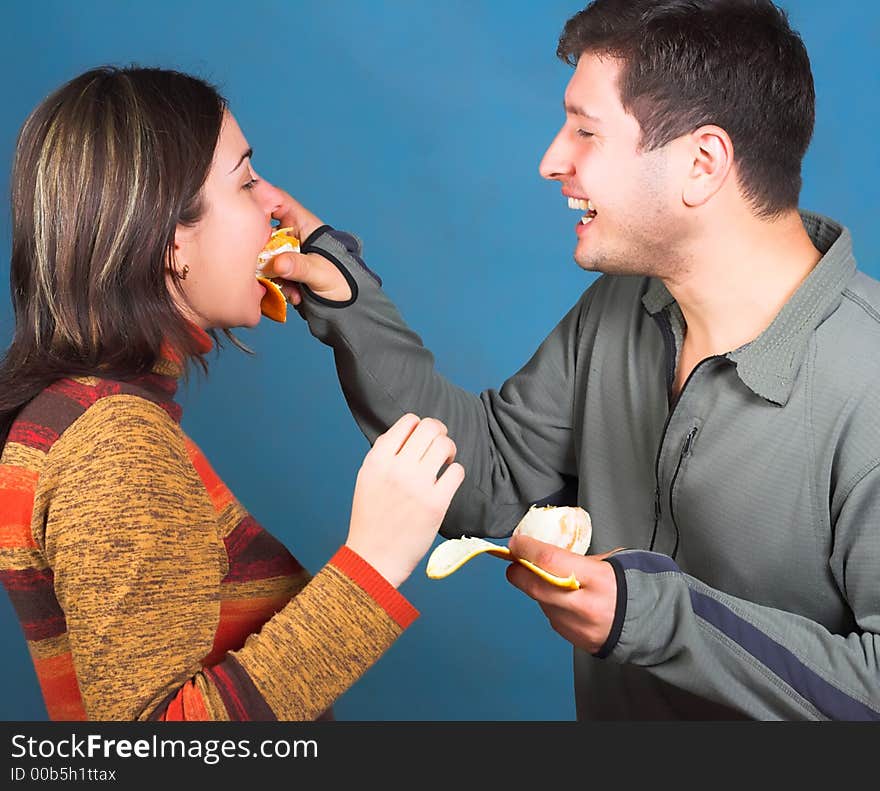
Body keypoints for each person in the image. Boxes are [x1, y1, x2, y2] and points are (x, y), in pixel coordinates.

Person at [260, 0, 880, 720]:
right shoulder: (624, 309)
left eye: (586, 131)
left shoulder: (866, 383)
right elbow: (483, 476)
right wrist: (346, 298)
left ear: (702, 163)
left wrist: (651, 617)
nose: (553, 160)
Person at [0, 66, 465, 721]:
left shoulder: (85, 417)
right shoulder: (114, 447)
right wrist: (373, 561)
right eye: (246, 181)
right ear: (169, 243)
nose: (276, 203)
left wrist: (349, 291)